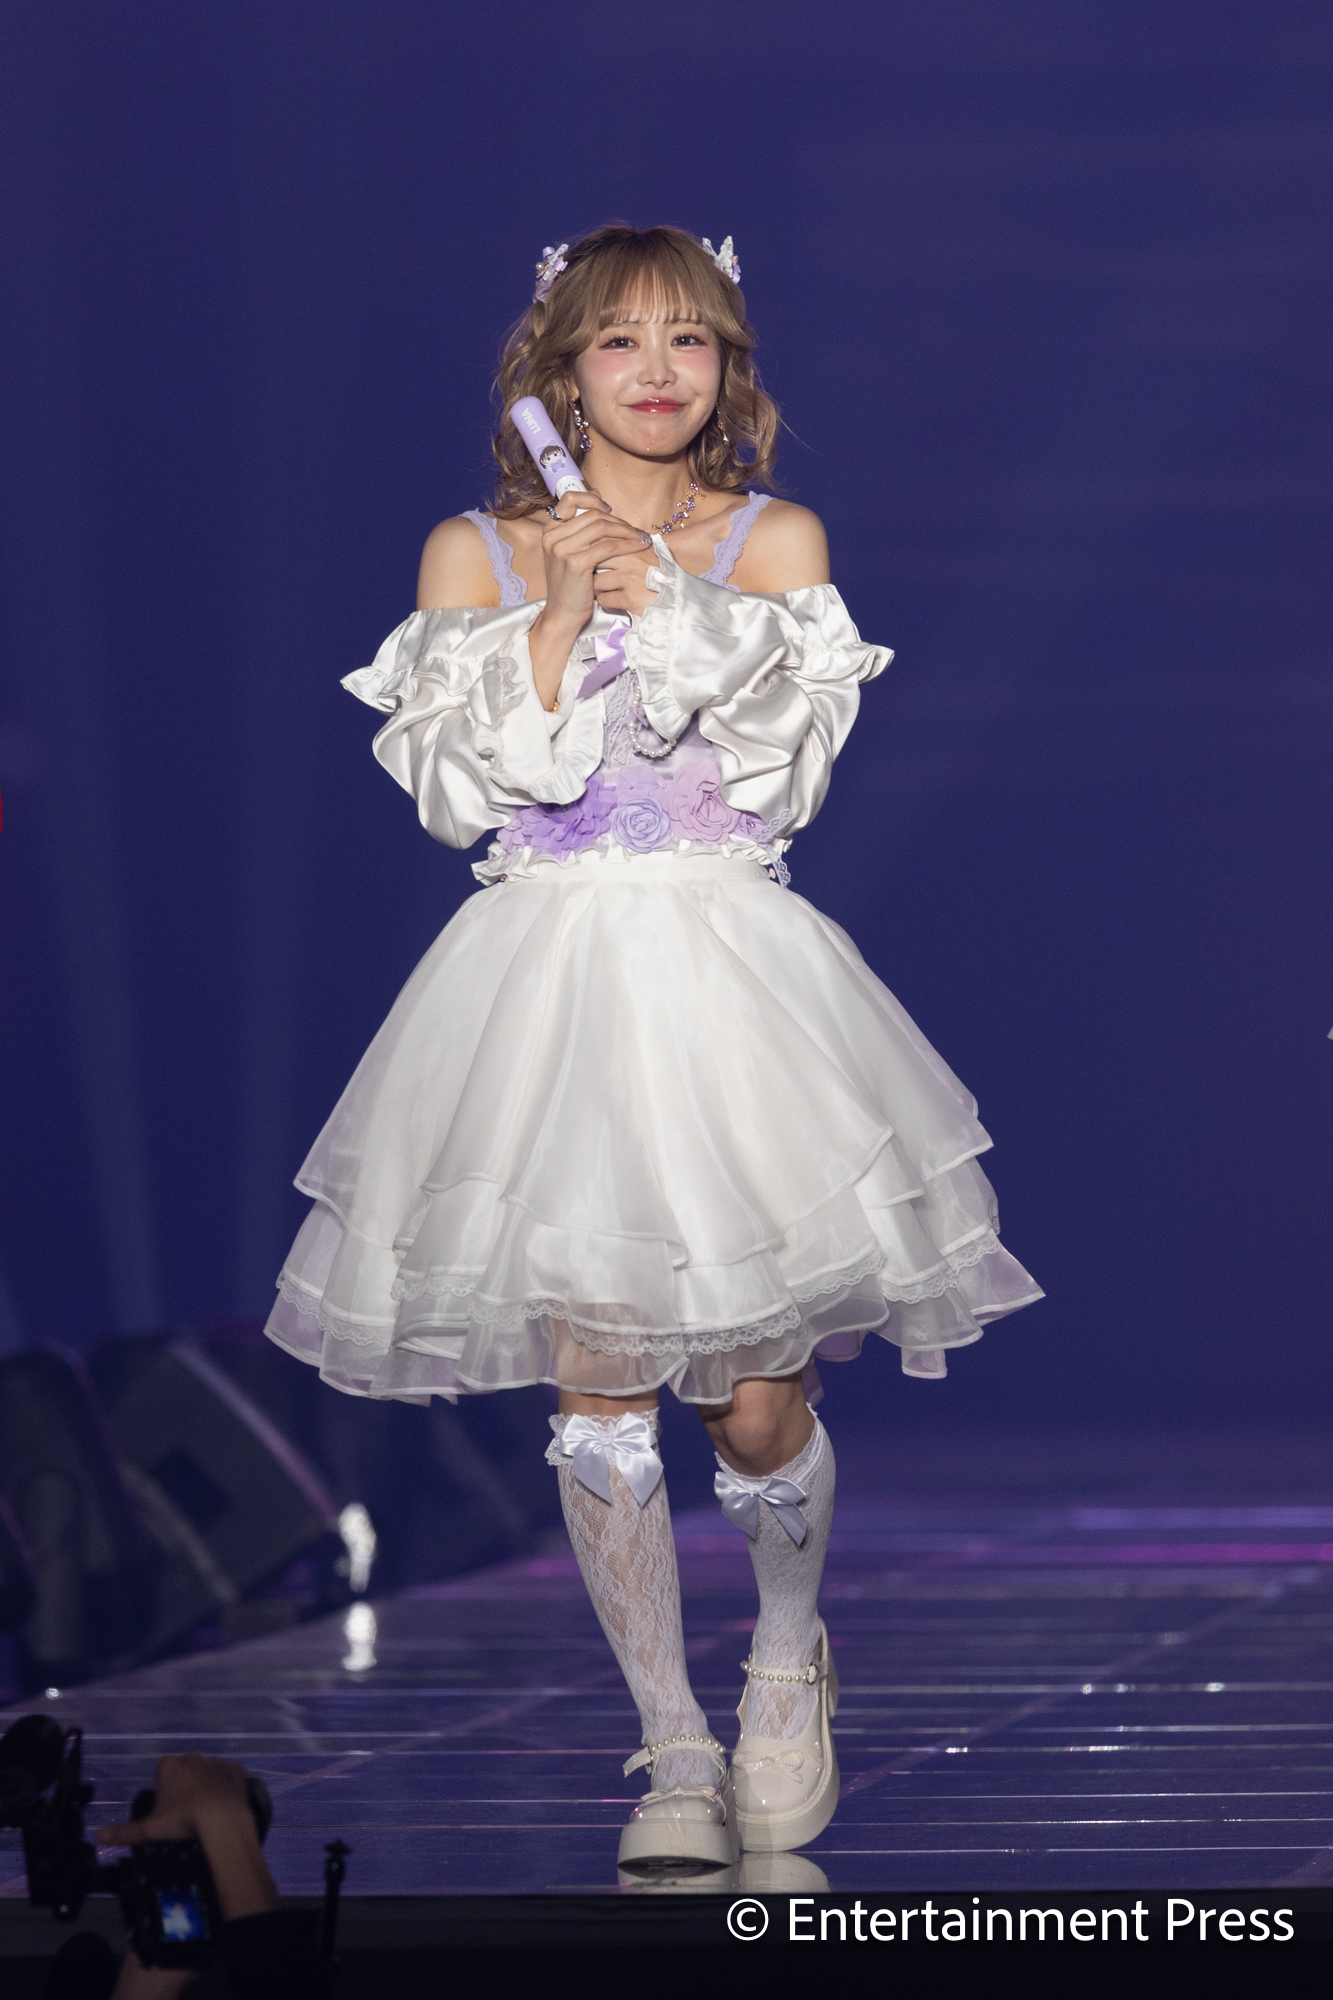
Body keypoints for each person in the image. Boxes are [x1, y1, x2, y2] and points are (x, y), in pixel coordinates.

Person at [264, 223, 1042, 1870]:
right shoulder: (472, 551)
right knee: (599, 1387)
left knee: (753, 1407)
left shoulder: (774, 539)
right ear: (559, 369)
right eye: (618, 339)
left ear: (726, 363)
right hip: (542, 988)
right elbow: (461, 795)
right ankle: (671, 1743)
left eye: (688, 338)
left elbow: (784, 776)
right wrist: (553, 614)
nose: (656, 370)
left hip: (727, 981)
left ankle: (784, 1654)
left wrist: (670, 602)